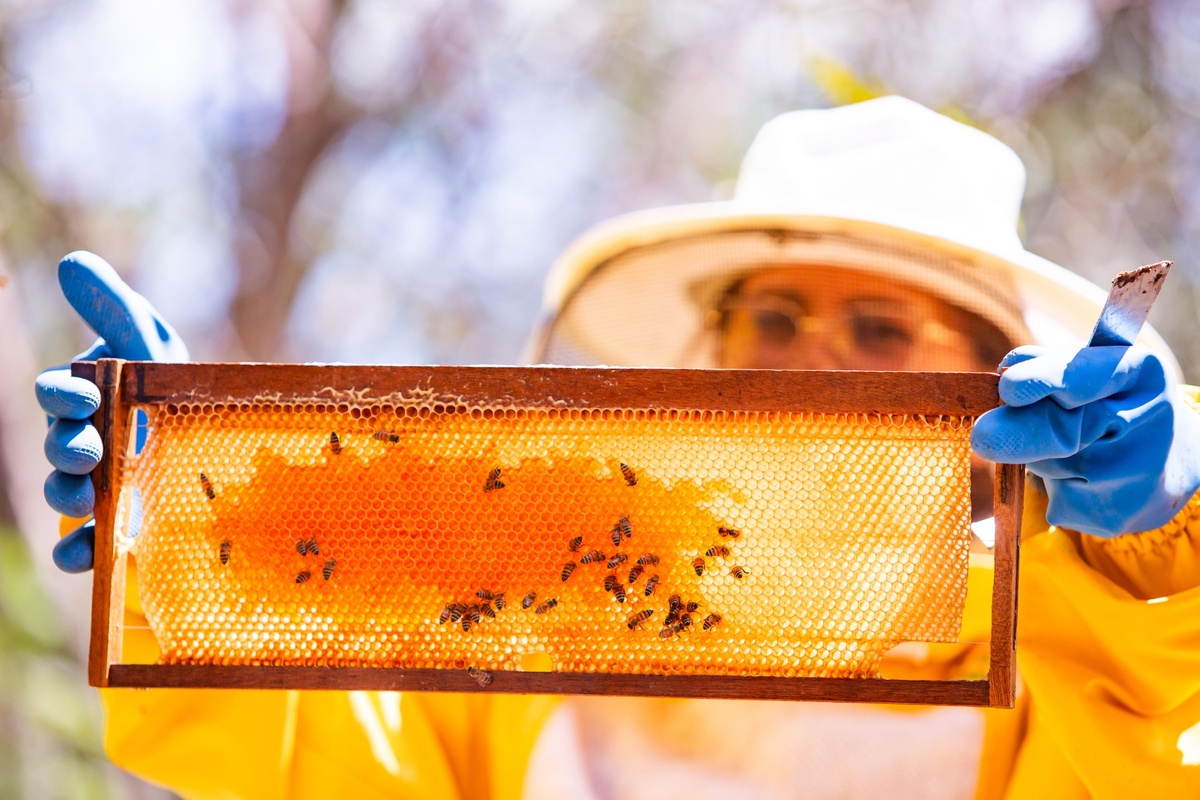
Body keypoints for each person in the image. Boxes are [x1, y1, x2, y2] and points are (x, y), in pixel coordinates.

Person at [36, 97, 1200, 798]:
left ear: (998, 374)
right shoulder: (540, 613)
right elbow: (328, 757)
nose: (809, 358)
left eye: (880, 328)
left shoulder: (1056, 648)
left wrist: (1161, 548)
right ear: (711, 349)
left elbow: (1155, 753)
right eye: (775, 318)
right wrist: (197, 523)